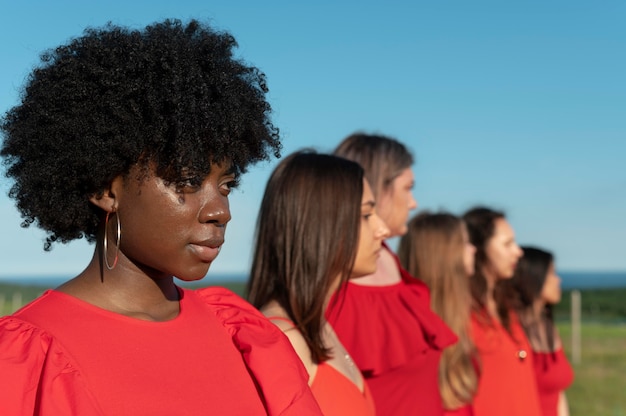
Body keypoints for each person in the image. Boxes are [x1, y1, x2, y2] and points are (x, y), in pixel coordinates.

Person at [0, 19, 322, 415]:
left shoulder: (241, 333)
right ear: (105, 190)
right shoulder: (29, 356)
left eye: (226, 186)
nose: (221, 211)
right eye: (187, 181)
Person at [247, 150, 389, 416]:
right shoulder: (284, 343)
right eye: (367, 215)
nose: (383, 229)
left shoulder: (318, 326)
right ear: (323, 223)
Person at [326, 133, 458, 416]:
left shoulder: (389, 260)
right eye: (407, 188)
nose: (413, 203)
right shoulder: (332, 283)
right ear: (374, 188)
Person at [398, 212, 479, 416]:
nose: (473, 249)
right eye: (465, 242)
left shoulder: (460, 314)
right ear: (444, 255)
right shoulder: (410, 328)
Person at [463, 207, 541, 416]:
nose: (518, 251)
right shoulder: (462, 313)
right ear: (478, 248)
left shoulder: (506, 308)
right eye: (507, 244)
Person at [508, 247, 574, 416]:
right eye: (551, 273)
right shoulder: (511, 330)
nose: (558, 280)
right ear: (532, 278)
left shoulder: (547, 328)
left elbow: (558, 393)